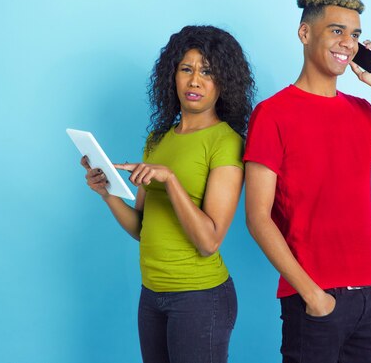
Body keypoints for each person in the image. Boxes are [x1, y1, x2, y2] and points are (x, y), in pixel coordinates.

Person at [243, 0, 371, 363]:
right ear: (305, 33)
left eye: (356, 34)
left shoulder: (361, 111)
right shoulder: (272, 114)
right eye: (336, 30)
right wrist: (312, 295)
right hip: (313, 299)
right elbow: (257, 217)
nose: (348, 43)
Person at [80, 25, 255, 363]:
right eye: (186, 69)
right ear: (172, 75)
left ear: (224, 81)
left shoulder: (227, 143)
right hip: (152, 295)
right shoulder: (158, 141)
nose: (194, 81)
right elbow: (142, 229)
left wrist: (171, 181)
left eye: (207, 72)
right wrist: (108, 194)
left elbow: (209, 241)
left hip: (200, 298)